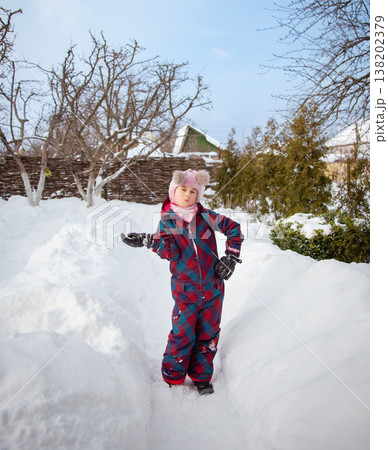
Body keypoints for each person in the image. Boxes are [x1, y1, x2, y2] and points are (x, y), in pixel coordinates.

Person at [121, 168, 243, 395]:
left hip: (214, 287)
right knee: (183, 332)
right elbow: (170, 252)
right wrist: (149, 241)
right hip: (185, 289)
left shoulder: (206, 217)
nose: (187, 195)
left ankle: (201, 376)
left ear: (198, 195)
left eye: (192, 191)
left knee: (208, 333)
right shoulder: (168, 222)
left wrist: (230, 257)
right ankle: (173, 374)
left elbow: (234, 229)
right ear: (173, 191)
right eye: (182, 190)